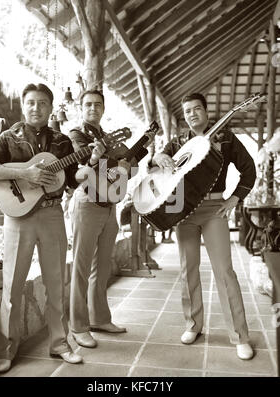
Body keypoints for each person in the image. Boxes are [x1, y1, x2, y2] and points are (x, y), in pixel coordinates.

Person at [0, 83, 82, 373]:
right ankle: (6, 350)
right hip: (18, 218)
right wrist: (24, 173)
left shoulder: (63, 142)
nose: (36, 107)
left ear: (50, 108)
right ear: (23, 106)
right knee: (11, 286)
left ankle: (60, 343)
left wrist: (91, 163)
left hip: (52, 216)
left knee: (55, 283)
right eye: (31, 102)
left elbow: (73, 178)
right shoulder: (7, 138)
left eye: (42, 103)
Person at [151, 93, 256, 360]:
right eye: (187, 111)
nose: (192, 114)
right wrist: (160, 158)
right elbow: (158, 159)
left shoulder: (227, 138)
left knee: (225, 271)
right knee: (188, 270)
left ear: (207, 111)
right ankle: (193, 325)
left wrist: (234, 198)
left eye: (197, 109)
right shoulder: (178, 142)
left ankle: (239, 335)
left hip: (213, 209)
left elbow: (249, 169)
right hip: (184, 211)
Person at [68, 89, 148, 348]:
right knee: (81, 268)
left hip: (109, 206)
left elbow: (127, 169)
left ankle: (99, 318)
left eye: (98, 104)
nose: (93, 108)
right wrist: (111, 164)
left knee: (102, 266)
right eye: (88, 104)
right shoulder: (76, 135)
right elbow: (85, 167)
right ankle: (78, 326)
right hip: (87, 203)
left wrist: (126, 167)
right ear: (82, 108)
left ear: (103, 109)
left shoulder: (106, 136)